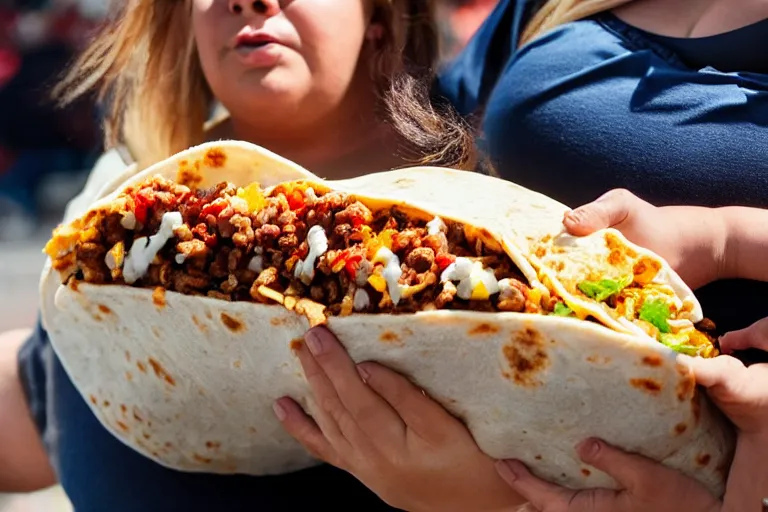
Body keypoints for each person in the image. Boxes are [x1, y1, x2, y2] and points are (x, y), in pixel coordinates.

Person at [0, 1, 524, 511]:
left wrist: (500, 499)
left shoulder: (499, 231)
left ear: (381, 14)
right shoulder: (118, 208)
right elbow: (40, 399)